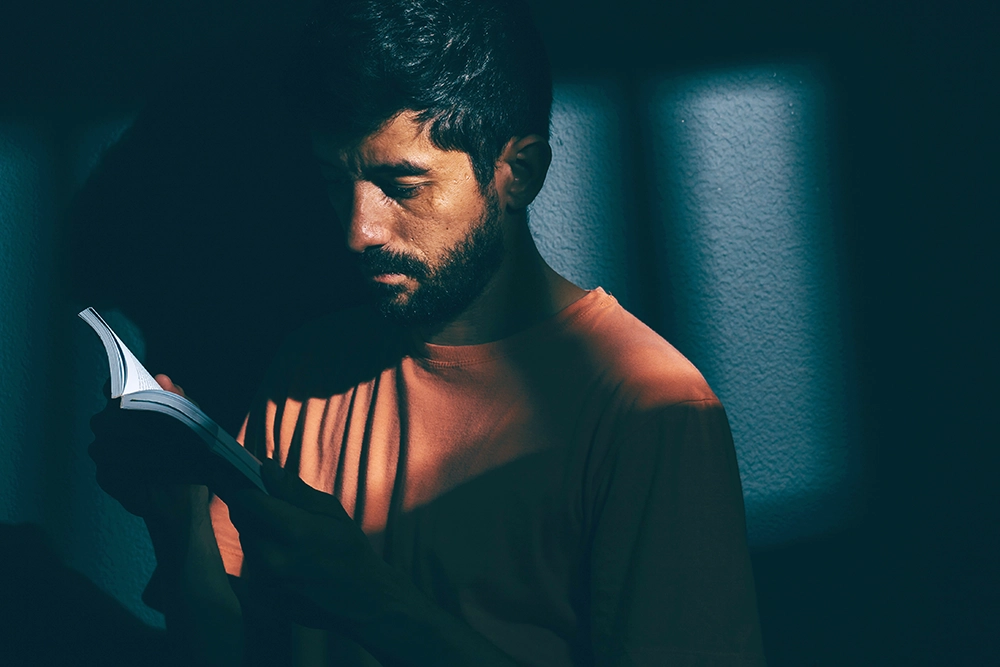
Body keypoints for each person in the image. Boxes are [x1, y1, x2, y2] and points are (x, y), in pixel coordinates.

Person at [89, 0, 766, 664]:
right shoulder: (308, 366)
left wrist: (375, 603)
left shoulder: (648, 408)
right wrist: (176, 518)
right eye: (336, 181)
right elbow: (224, 645)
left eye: (401, 184)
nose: (359, 232)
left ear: (516, 174)